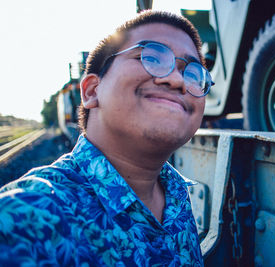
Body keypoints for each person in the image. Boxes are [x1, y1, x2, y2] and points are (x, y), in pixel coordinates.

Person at [0, 10, 213, 266]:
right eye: (153, 57)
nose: (177, 80)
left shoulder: (177, 193)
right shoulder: (28, 217)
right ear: (91, 91)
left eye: (193, 73)